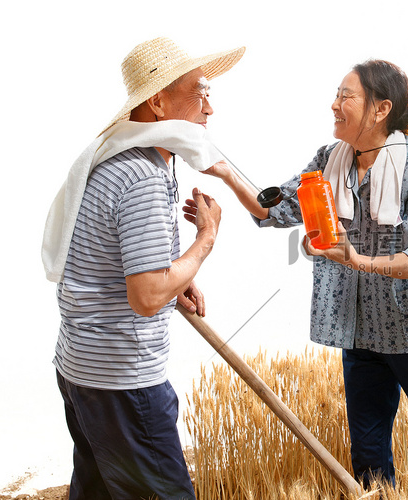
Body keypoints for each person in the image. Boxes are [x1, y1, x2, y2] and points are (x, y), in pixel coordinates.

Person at [196, 59, 408, 487]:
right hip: (360, 336)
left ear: (380, 109)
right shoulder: (330, 160)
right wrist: (224, 172)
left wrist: (358, 260)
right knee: (369, 463)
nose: (334, 105)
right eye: (336, 95)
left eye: (345, 97)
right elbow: (273, 208)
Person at [41, 37, 244, 499]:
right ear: (157, 101)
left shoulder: (117, 160)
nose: (210, 109)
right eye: (201, 92)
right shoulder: (141, 177)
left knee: (96, 492)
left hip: (82, 369)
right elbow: (146, 296)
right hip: (122, 382)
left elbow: (119, 265)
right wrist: (206, 239)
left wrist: (179, 281)